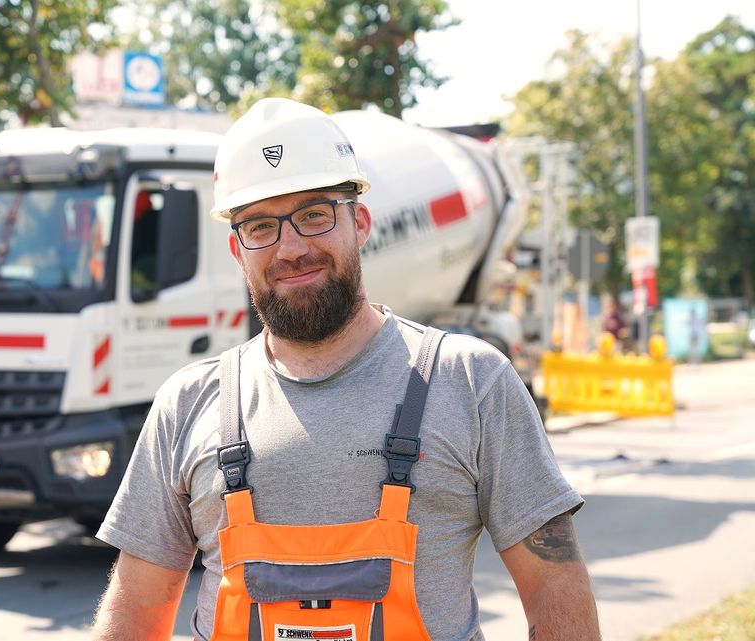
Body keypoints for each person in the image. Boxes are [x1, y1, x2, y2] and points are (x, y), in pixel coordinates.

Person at [91, 98, 600, 640]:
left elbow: (556, 591)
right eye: (260, 225)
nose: (290, 247)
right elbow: (135, 615)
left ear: (360, 221)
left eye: (314, 214)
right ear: (237, 250)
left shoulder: (471, 383)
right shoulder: (188, 403)